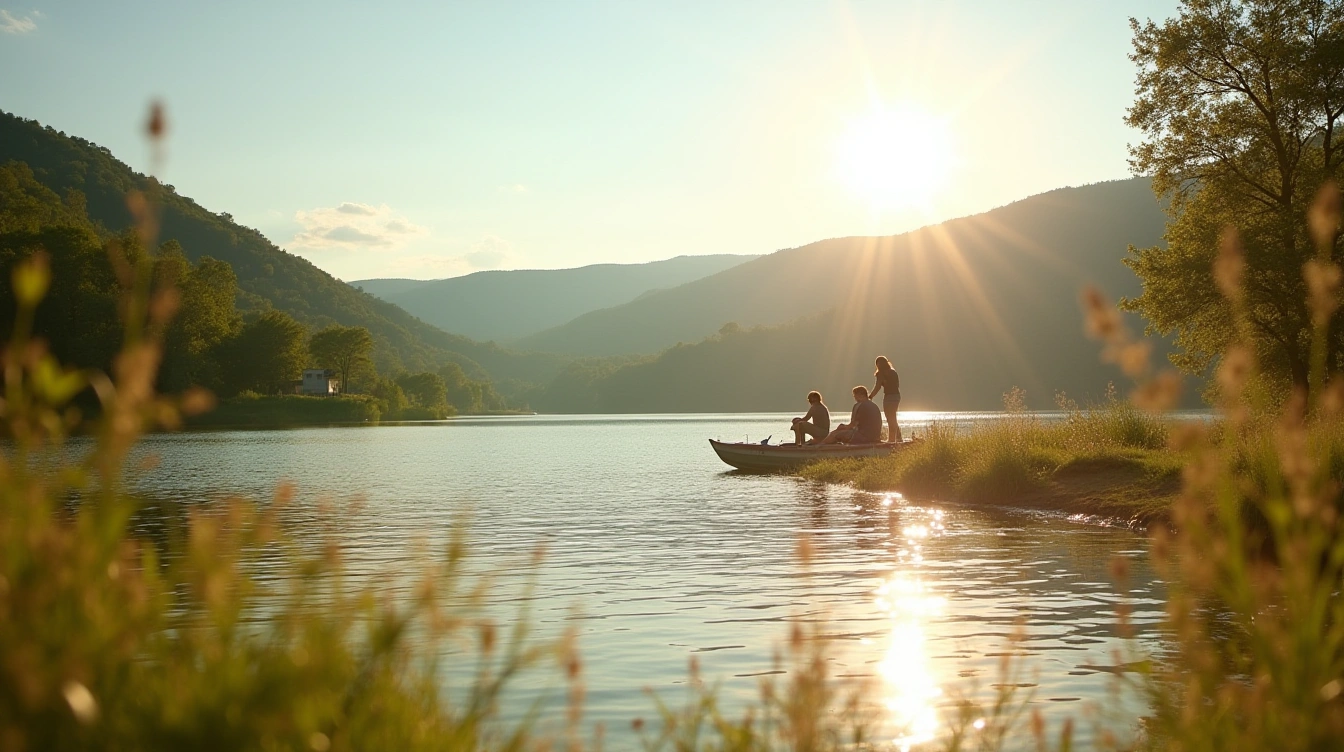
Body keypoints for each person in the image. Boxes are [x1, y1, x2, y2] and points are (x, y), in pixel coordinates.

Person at [870, 356, 901, 442]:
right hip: (896, 396)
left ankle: (891, 440)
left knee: (890, 418)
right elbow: (897, 385)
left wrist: (870, 396)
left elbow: (878, 386)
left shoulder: (881, 374)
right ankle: (898, 438)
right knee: (893, 417)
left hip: (889, 397)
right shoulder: (893, 372)